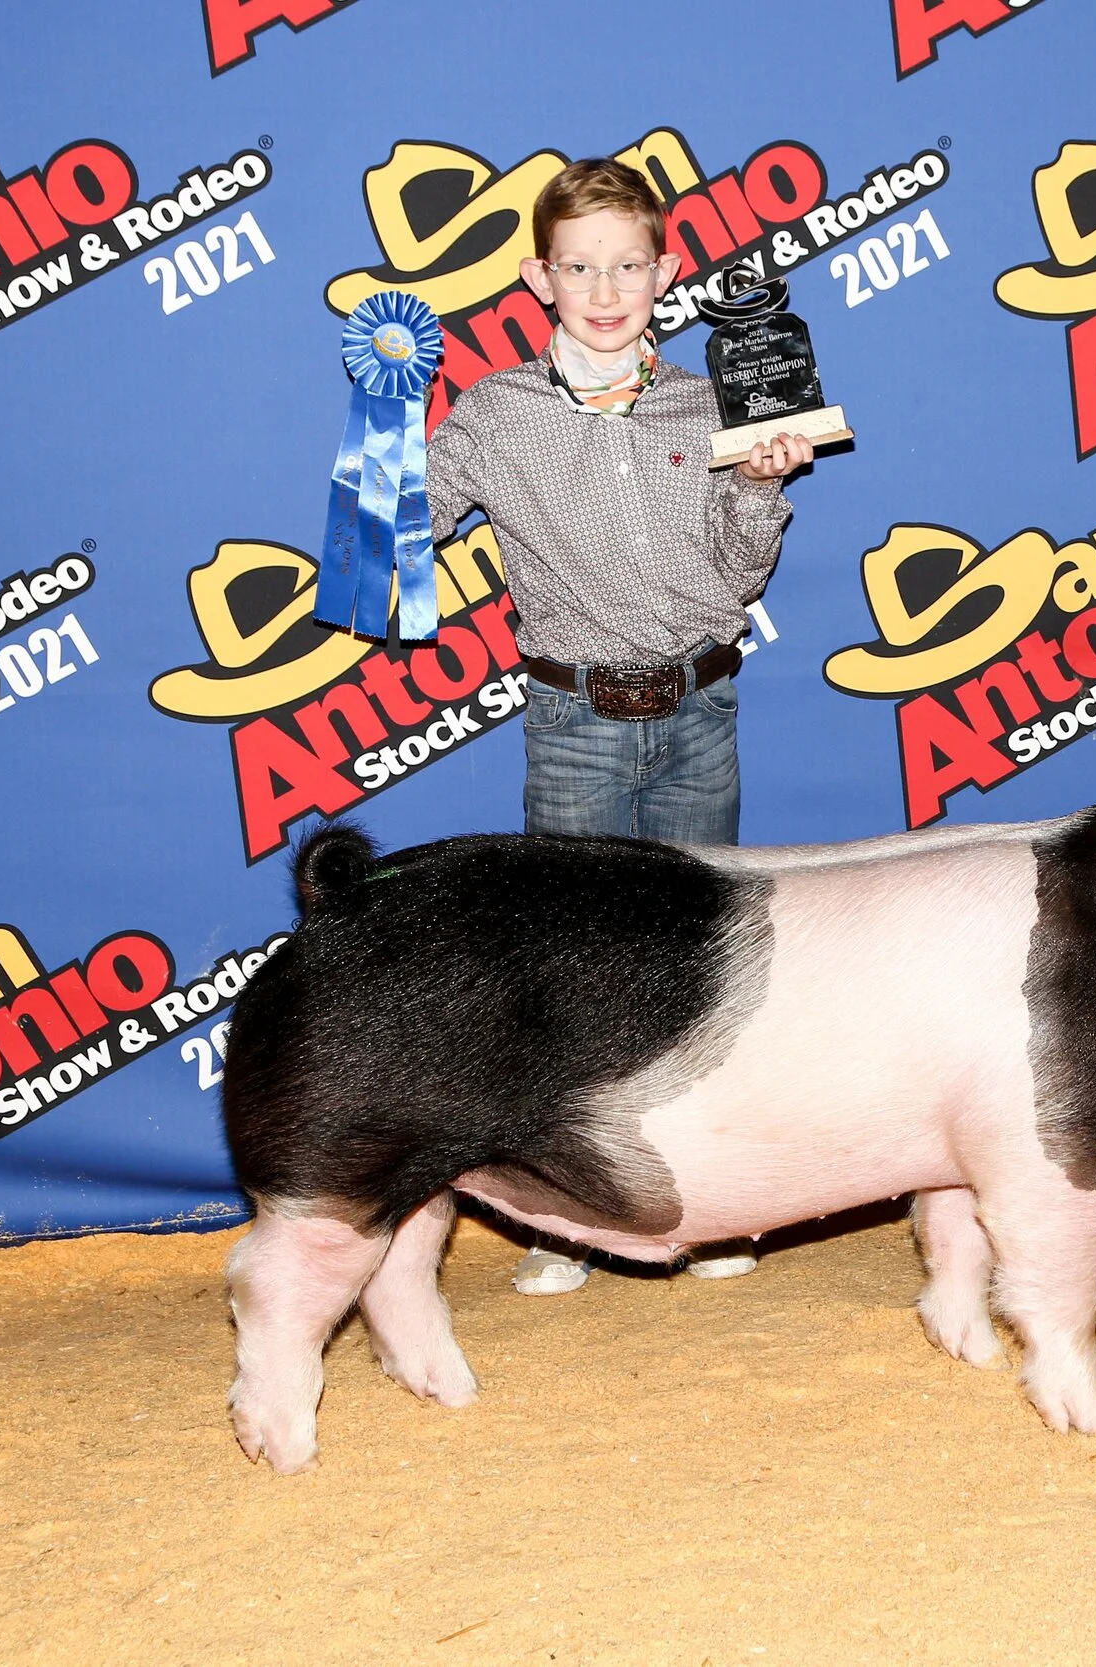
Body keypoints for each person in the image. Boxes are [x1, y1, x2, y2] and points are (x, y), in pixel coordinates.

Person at [424, 157, 811, 1295]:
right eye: (580, 266)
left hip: (702, 702)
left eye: (628, 266)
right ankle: (567, 1218)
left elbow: (740, 569)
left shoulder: (714, 400)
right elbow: (402, 522)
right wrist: (387, 422)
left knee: (705, 963)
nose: (605, 289)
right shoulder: (495, 414)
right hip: (574, 716)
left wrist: (761, 480)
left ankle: (714, 1199)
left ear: (666, 272)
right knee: (572, 974)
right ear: (540, 276)